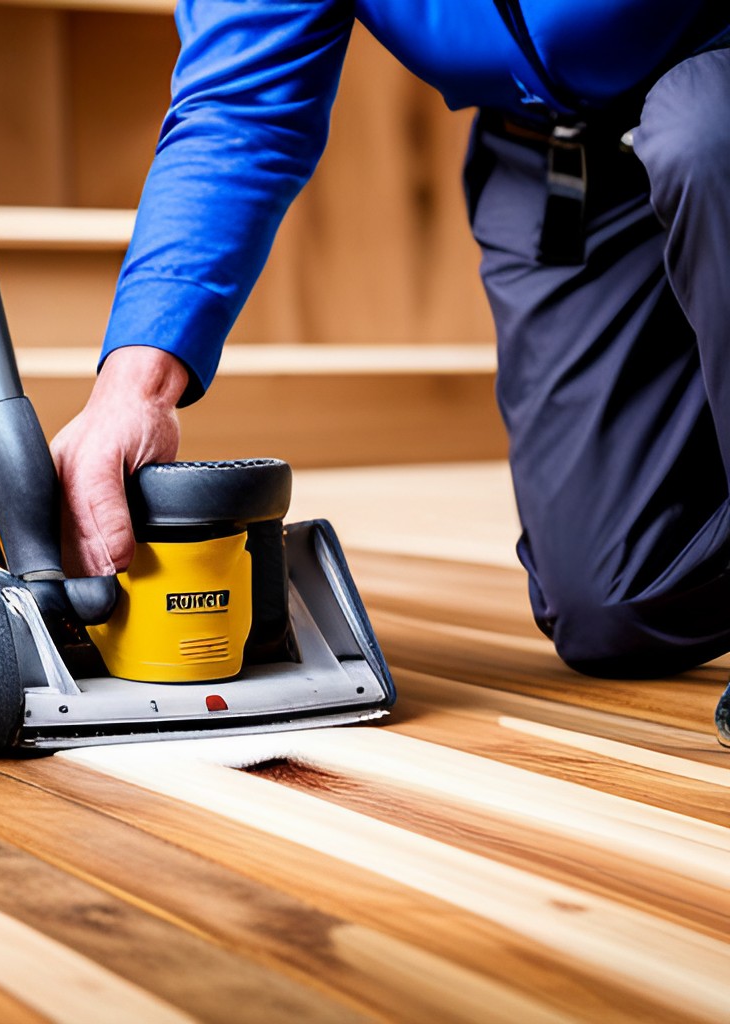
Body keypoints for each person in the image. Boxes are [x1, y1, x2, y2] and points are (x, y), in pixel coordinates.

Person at [51, 1, 730, 692]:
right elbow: (239, 109)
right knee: (616, 606)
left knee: (702, 131)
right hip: (562, 154)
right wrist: (133, 389)